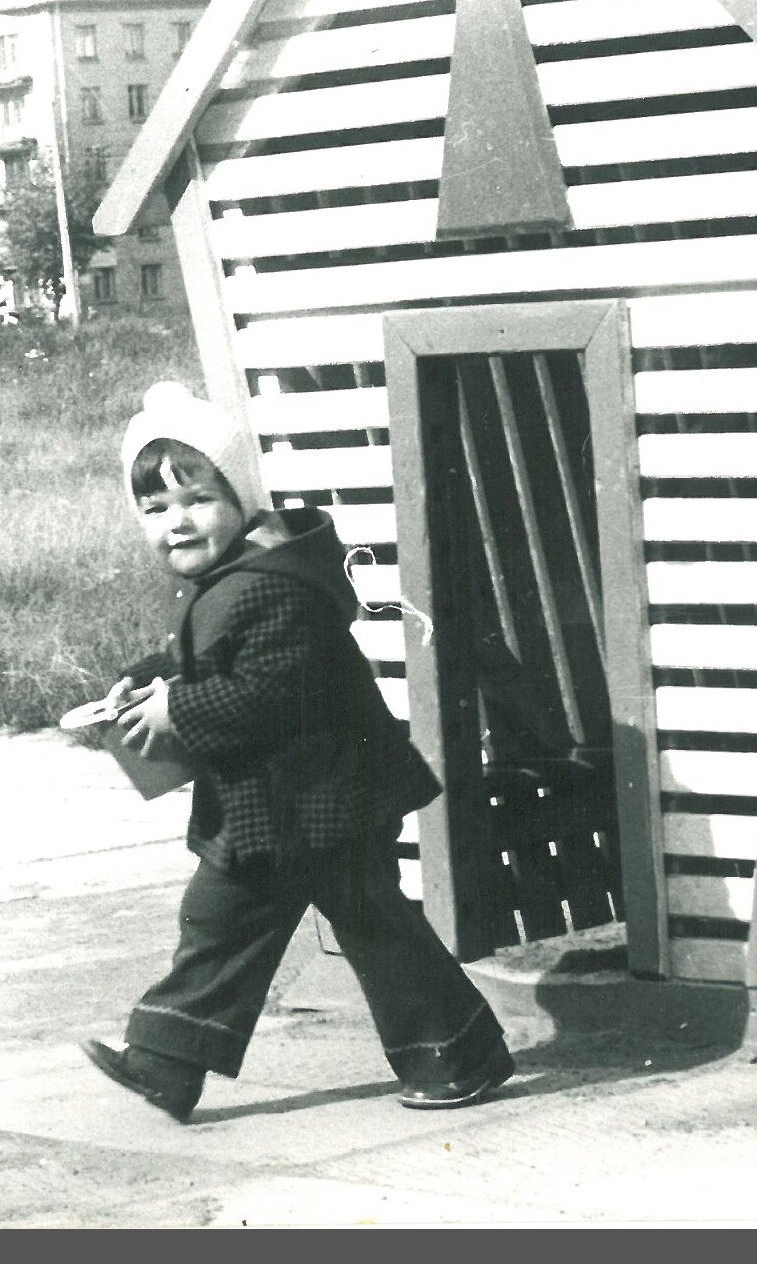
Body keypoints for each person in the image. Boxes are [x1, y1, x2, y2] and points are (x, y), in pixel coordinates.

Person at [80, 382, 514, 1122]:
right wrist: (149, 679)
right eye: (155, 510)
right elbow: (204, 655)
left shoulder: (276, 590)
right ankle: (455, 1052)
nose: (177, 523)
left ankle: (170, 1060)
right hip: (289, 803)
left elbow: (271, 690)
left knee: (269, 921)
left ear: (240, 499)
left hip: (319, 798)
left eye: (197, 501)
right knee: (324, 923)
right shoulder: (234, 581)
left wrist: (178, 706)